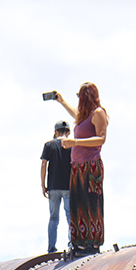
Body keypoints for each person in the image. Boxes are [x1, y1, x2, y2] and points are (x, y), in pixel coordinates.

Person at [51, 83, 109, 257]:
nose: (79, 101)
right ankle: (80, 243)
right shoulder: (85, 116)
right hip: (78, 167)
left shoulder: (99, 113)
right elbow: (76, 116)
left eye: (80, 97)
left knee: (90, 203)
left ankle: (92, 243)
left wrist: (75, 143)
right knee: (77, 204)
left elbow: (101, 139)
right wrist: (62, 102)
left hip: (91, 166)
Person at [40, 120, 72, 253]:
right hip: (68, 186)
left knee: (54, 218)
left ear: (55, 132)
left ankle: (51, 247)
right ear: (68, 133)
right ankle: (72, 244)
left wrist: (43, 184)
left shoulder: (49, 145)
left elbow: (43, 165)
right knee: (70, 216)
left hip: (53, 186)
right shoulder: (72, 145)